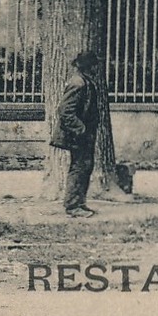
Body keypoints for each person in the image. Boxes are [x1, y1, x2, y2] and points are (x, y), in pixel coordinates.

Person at [50, 50, 105, 218]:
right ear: (89, 66)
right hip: (77, 134)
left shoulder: (85, 81)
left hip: (85, 134)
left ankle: (79, 202)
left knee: (85, 166)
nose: (97, 67)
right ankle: (73, 206)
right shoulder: (78, 83)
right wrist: (81, 129)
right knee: (79, 167)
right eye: (95, 64)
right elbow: (65, 111)